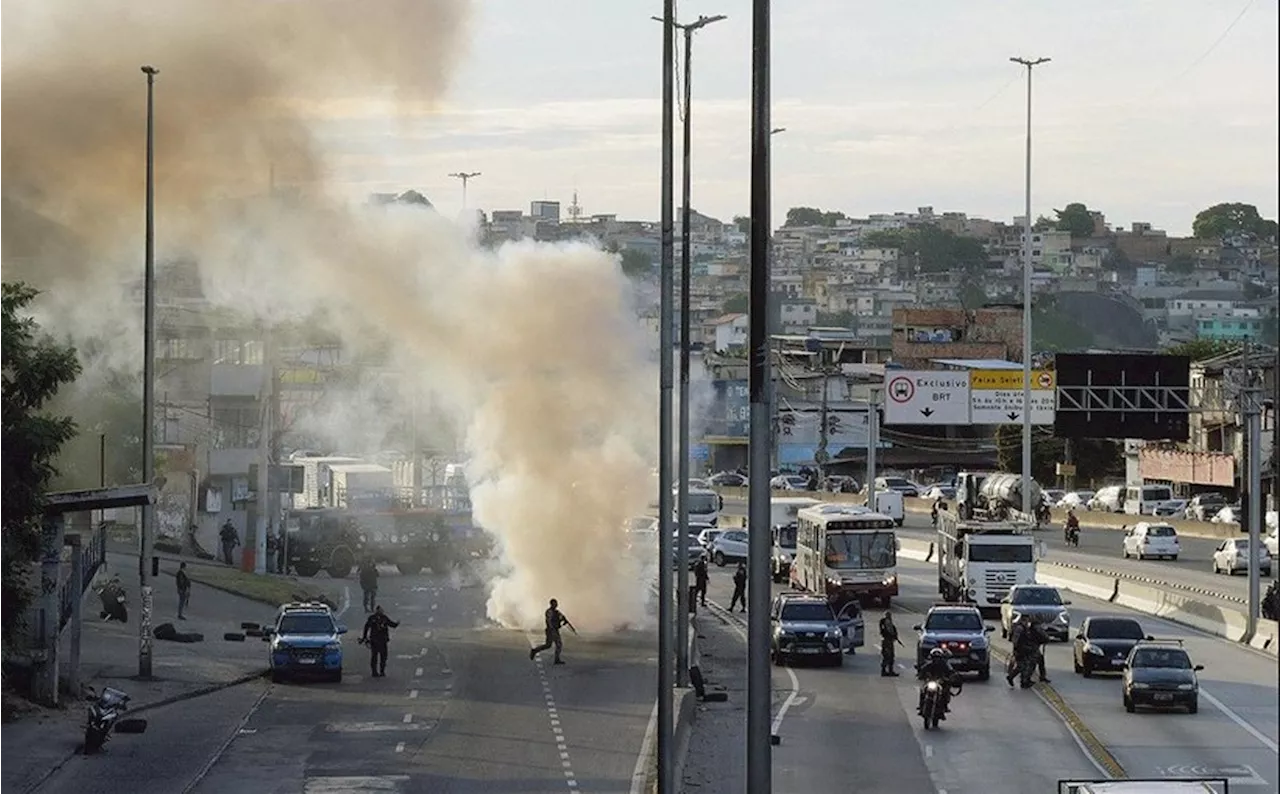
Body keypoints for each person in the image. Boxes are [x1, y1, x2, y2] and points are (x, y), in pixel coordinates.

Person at [916, 648, 962, 719]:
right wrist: (921, 675)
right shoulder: (928, 665)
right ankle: (921, 706)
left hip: (941, 682)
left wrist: (951, 677)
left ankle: (944, 707)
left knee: (945, 692)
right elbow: (922, 670)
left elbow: (951, 672)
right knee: (923, 691)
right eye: (934, 657)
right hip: (930, 681)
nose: (936, 660)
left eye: (938, 658)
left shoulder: (945, 665)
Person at [1007, 614, 1050, 687]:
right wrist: (1017, 649)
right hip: (1021, 650)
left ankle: (1021, 679)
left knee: (1025, 665)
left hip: (1023, 649)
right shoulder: (1020, 628)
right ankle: (1021, 680)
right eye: (1026, 620)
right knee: (1024, 665)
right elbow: (1016, 641)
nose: (1027, 622)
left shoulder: (1023, 628)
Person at [530, 598, 576, 665]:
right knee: (558, 644)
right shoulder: (549, 612)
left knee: (548, 645)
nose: (556, 605)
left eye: (556, 603)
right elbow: (549, 621)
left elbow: (562, 618)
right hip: (551, 630)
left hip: (554, 630)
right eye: (554, 603)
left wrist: (564, 621)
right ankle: (556, 660)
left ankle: (535, 650)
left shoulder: (557, 612)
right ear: (551, 604)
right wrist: (552, 628)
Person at [360, 605, 400, 677]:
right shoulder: (373, 618)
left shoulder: (384, 618)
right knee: (375, 657)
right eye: (380, 610)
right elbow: (366, 627)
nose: (381, 611)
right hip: (376, 641)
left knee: (382, 657)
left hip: (382, 640)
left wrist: (396, 624)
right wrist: (364, 637)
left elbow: (391, 624)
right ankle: (375, 671)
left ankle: (381, 671)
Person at [879, 611, 903, 677]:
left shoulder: (884, 622)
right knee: (889, 656)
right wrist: (894, 636)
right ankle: (888, 671)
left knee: (887, 656)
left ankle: (886, 671)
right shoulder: (887, 622)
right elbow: (890, 631)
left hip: (886, 641)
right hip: (888, 641)